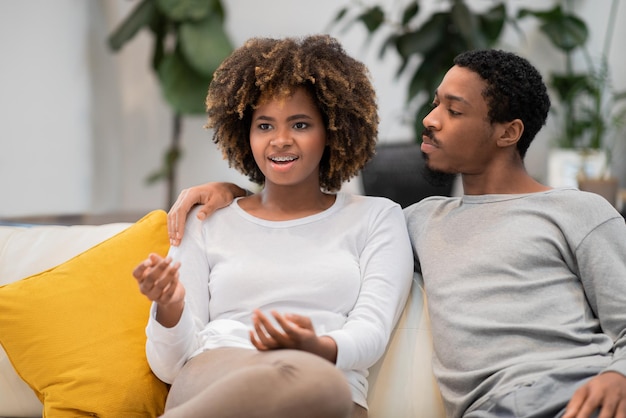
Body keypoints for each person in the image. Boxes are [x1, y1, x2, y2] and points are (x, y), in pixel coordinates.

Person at [167, 48, 626, 418]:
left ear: (509, 133)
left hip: (587, 390)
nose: (430, 119)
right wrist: (234, 191)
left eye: (454, 110)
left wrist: (618, 377)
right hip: (493, 408)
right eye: (435, 102)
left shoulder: (578, 211)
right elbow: (302, 222)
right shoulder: (421, 221)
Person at [132, 34, 414, 418]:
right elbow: (169, 366)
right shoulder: (206, 219)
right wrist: (170, 306)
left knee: (322, 385)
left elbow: (372, 331)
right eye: (264, 126)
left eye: (299, 124)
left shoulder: (377, 217)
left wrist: (316, 348)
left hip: (321, 386)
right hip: (216, 373)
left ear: (332, 131)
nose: (280, 141)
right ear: (244, 133)